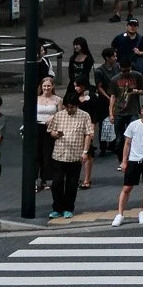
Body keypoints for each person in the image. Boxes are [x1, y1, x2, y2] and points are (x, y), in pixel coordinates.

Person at [43, 84, 95, 219]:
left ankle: (68, 208)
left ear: (76, 105)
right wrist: (56, 134)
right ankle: (57, 207)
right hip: (59, 153)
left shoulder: (84, 116)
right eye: (67, 107)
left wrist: (85, 151)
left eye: (72, 107)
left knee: (72, 184)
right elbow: (51, 132)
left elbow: (88, 134)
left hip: (75, 155)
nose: (69, 109)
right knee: (57, 183)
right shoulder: (59, 115)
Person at [113, 98, 143, 226]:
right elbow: (127, 144)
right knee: (127, 187)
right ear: (142, 111)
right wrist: (124, 161)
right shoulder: (133, 125)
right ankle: (120, 214)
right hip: (134, 160)